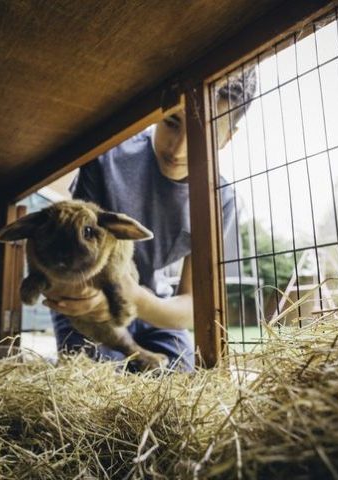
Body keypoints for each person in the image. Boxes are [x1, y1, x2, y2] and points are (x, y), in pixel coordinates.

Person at [45, 70, 256, 372]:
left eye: (203, 135)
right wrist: (91, 299)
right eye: (172, 123)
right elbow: (64, 247)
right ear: (157, 114)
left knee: (179, 380)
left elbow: (194, 306)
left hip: (153, 307)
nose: (178, 149)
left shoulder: (220, 201)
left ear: (227, 139)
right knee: (98, 384)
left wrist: (136, 301)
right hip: (89, 299)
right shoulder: (106, 159)